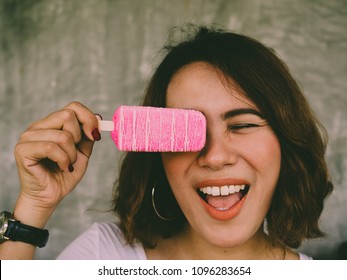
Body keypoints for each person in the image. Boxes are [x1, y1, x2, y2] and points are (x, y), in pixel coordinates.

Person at [0, 24, 333, 260]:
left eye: (243, 124)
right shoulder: (102, 257)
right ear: (156, 152)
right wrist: (34, 207)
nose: (215, 156)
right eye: (191, 129)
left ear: (286, 145)